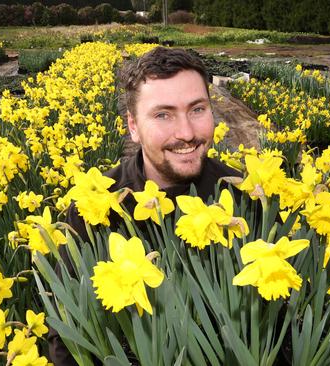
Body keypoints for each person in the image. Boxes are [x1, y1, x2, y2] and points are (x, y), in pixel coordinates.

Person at [47, 46, 242, 365]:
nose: (187, 133)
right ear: (133, 126)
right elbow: (66, 331)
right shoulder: (95, 209)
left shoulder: (241, 199)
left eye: (197, 109)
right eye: (163, 114)